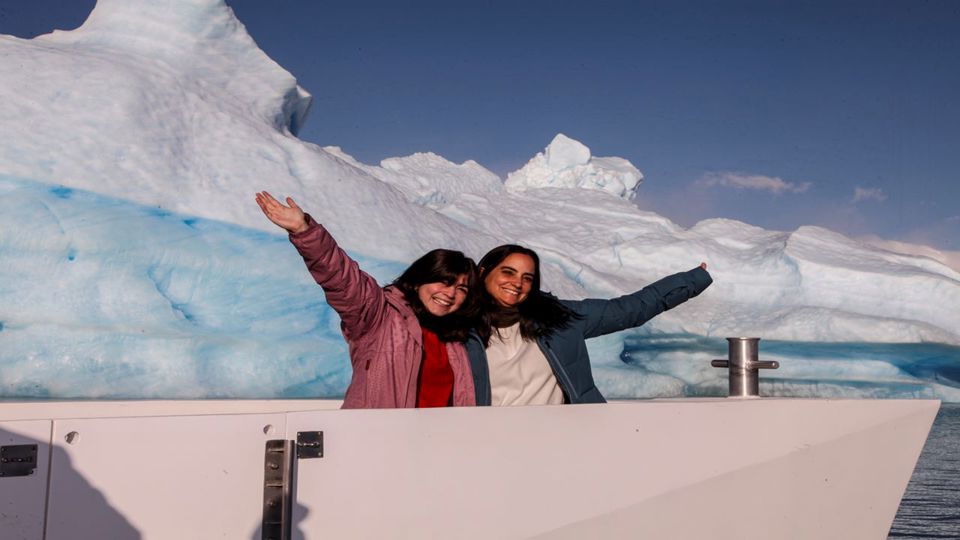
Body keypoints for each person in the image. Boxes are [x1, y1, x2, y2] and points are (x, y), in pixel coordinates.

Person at [255, 191, 479, 409]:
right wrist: (305, 232)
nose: (450, 294)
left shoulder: (455, 340)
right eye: (443, 282)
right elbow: (343, 279)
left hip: (437, 443)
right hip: (376, 438)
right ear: (420, 280)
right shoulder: (380, 316)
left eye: (461, 288)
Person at [466, 244, 712, 406]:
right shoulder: (461, 329)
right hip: (493, 439)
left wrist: (691, 280)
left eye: (527, 278)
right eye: (508, 272)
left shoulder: (558, 317)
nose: (517, 283)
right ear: (484, 272)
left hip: (561, 438)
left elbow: (629, 310)